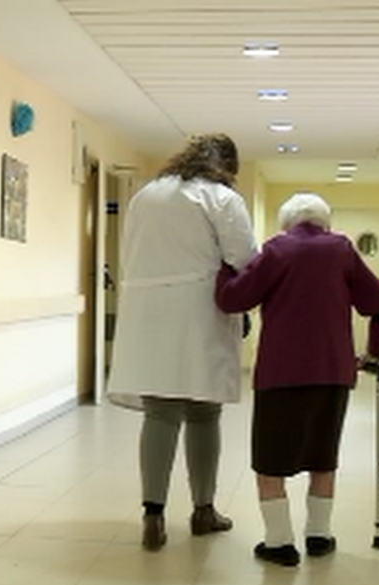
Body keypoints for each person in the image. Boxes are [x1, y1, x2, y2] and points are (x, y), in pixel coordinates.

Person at [215, 193, 379, 566]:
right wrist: (374, 355)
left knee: (270, 462)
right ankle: (319, 536)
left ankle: (279, 543)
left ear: (287, 222)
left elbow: (232, 300)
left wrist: (223, 269)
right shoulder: (342, 250)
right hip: (333, 373)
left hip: (280, 373)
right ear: (325, 222)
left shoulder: (277, 250)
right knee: (322, 458)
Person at [106, 133, 259, 551]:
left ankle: (153, 515)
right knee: (204, 412)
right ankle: (203, 510)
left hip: (146, 312)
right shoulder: (221, 198)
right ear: (226, 166)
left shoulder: (146, 195)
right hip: (200, 311)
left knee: (159, 413)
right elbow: (245, 257)